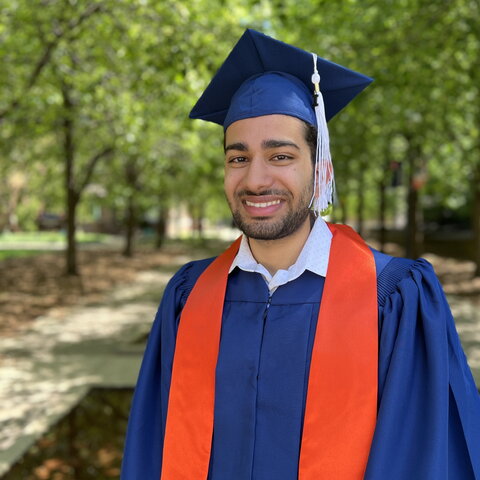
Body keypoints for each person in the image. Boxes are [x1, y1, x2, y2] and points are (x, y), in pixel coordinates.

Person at [121, 29, 480, 480]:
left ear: (320, 164)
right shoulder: (188, 296)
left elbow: (422, 455)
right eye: (238, 158)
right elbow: (153, 447)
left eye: (281, 156)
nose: (255, 180)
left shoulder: (393, 297)